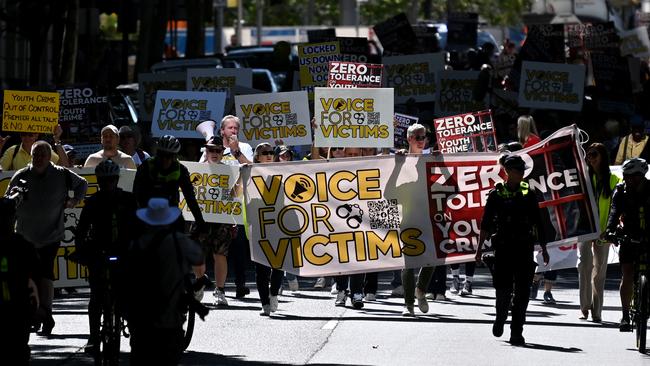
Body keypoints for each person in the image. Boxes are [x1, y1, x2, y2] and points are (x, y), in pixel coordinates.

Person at [6, 141, 88, 335]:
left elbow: (82, 184)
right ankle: (33, 312)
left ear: (50, 156)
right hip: (26, 236)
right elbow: (7, 201)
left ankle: (47, 312)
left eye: (43, 154)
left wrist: (75, 200)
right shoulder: (21, 176)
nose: (39, 158)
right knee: (29, 275)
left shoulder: (61, 174)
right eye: (36, 154)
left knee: (45, 272)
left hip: (51, 234)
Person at [476, 154, 549, 346]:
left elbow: (538, 222)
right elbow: (485, 223)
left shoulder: (529, 194)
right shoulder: (496, 195)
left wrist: (544, 247)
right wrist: (478, 250)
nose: (521, 174)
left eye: (522, 171)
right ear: (507, 172)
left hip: (524, 248)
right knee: (503, 291)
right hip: (503, 248)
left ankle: (516, 331)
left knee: (523, 293)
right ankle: (500, 317)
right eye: (517, 171)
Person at [126, 198, 203, 365]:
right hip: (170, 320)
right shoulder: (181, 242)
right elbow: (200, 267)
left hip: (141, 319)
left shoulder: (136, 243)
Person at [74, 160, 137, 353]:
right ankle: (93, 337)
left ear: (116, 180)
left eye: (110, 180)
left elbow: (142, 226)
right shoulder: (93, 202)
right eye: (103, 181)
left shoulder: (129, 200)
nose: (107, 184)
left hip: (125, 251)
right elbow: (81, 231)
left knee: (131, 296)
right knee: (96, 297)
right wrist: (80, 251)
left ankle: (137, 336)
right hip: (99, 252)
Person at [606, 157, 650, 331]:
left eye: (631, 176)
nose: (627, 179)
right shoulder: (621, 191)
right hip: (629, 235)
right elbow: (614, 212)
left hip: (648, 235)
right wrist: (610, 230)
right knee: (627, 274)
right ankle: (625, 315)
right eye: (625, 176)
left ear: (641, 176)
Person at [577, 145, 619, 321]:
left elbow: (616, 207)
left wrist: (610, 229)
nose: (590, 158)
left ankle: (597, 311)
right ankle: (585, 307)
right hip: (585, 229)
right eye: (588, 155)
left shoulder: (614, 180)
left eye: (594, 155)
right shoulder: (583, 177)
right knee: (584, 266)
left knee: (600, 272)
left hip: (604, 231)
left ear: (603, 157)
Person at [397, 123, 435, 316]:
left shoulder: (431, 157)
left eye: (424, 137)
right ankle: (408, 304)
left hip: (429, 214)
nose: (422, 141)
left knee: (433, 258)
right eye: (418, 137)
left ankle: (421, 289)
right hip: (408, 215)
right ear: (409, 138)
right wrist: (398, 162)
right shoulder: (401, 157)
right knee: (408, 262)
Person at [133, 135, 205, 232]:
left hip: (170, 211)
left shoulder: (181, 170)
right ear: (157, 153)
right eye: (161, 155)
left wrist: (200, 220)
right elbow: (136, 194)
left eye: (169, 156)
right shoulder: (146, 166)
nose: (164, 159)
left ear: (175, 157)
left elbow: (190, 197)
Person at [0, 186, 39, 364]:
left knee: (20, 350)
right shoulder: (23, 245)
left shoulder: (23, 246)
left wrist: (41, 307)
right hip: (16, 309)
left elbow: (38, 276)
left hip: (18, 309)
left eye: (7, 219)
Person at [196, 136, 236, 306]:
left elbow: (235, 196)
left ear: (222, 153)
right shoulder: (195, 170)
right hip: (200, 219)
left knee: (220, 255)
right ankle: (199, 282)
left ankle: (220, 290)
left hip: (222, 219)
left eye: (217, 150)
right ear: (206, 151)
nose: (213, 153)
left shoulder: (229, 171)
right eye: (210, 150)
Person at [252, 143, 285, 315]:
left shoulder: (281, 172)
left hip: (279, 225)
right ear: (257, 156)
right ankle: (264, 303)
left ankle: (274, 294)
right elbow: (235, 194)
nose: (269, 155)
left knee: (279, 265)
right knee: (261, 269)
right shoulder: (249, 172)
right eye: (265, 153)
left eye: (272, 152)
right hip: (258, 225)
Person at [0, 126, 69, 170]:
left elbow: (65, 166)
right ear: (20, 136)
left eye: (30, 135)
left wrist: (57, 140)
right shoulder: (12, 151)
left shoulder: (44, 150)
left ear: (36, 136)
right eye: (23, 134)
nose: (27, 138)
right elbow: (1, 171)